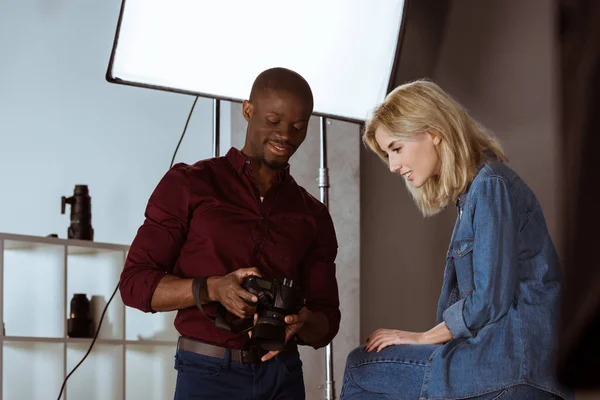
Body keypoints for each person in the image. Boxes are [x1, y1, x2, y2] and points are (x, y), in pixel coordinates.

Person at [341, 80, 573, 400]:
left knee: (360, 367)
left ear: (434, 131)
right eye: (387, 154)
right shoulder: (475, 193)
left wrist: (423, 338)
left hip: (510, 367)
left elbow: (488, 300)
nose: (393, 166)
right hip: (506, 364)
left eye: (396, 148)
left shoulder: (490, 186)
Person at [120, 67, 341, 399]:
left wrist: (303, 322)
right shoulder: (189, 185)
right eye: (274, 121)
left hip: (283, 376)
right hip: (208, 374)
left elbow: (328, 320)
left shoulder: (313, 214)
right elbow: (134, 285)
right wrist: (211, 289)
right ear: (248, 110)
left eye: (298, 127)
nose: (286, 136)